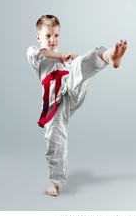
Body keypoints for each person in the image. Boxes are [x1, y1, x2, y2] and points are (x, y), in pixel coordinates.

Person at [27, 15, 127, 196]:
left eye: (56, 35)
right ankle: (56, 183)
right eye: (48, 36)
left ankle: (108, 55)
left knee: (79, 64)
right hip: (55, 103)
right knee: (55, 139)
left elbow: (80, 64)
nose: (52, 40)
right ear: (38, 37)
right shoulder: (35, 54)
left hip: (72, 89)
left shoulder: (66, 59)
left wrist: (75, 58)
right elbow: (44, 53)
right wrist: (62, 56)